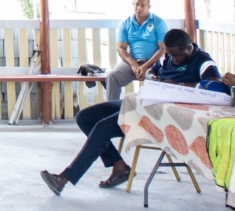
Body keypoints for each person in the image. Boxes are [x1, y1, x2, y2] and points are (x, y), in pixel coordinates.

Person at [40, 29, 221, 196]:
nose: (173, 59)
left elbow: (215, 86)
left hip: (161, 116)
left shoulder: (202, 61)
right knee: (84, 117)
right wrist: (153, 77)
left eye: (177, 56)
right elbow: (153, 69)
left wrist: (180, 86)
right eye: (170, 55)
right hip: (143, 103)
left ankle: (64, 178)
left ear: (189, 48)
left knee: (103, 128)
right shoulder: (168, 57)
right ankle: (119, 165)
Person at [106, 0, 169, 100]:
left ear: (149, 7)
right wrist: (133, 64)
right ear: (133, 5)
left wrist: (145, 66)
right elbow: (120, 48)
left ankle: (153, 110)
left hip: (153, 63)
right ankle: (112, 109)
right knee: (112, 76)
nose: (139, 8)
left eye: (143, 5)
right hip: (132, 62)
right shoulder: (125, 23)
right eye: (136, 4)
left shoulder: (158, 22)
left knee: (157, 81)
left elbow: (163, 48)